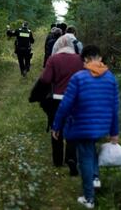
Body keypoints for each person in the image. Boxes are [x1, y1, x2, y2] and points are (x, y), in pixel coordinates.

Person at [51, 45, 120, 209]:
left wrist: (57, 125)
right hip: (101, 125)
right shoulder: (111, 78)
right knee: (91, 149)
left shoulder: (78, 78)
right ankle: (95, 178)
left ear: (86, 60)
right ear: (100, 58)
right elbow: (114, 107)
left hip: (81, 125)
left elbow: (66, 104)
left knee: (85, 158)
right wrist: (114, 132)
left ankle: (89, 199)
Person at [40, 34, 84, 175]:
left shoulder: (54, 59)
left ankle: (57, 160)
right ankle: (71, 157)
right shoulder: (80, 60)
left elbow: (46, 80)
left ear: (58, 46)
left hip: (57, 99)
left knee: (56, 128)